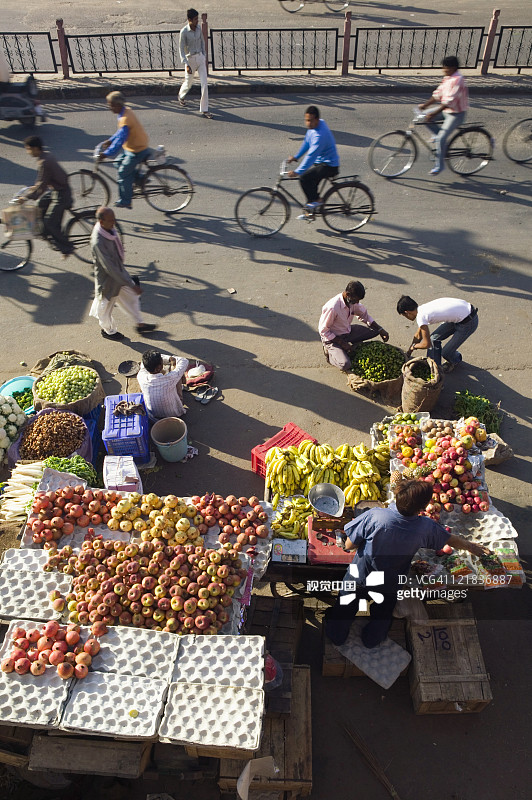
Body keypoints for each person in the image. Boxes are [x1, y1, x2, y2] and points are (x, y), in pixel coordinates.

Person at [325, 480, 489, 649]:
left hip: (361, 575)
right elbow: (449, 539)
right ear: (422, 507)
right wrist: (472, 548)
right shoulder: (425, 527)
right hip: (390, 582)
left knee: (344, 609)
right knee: (383, 614)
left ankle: (337, 635)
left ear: (396, 497)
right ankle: (371, 640)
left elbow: (350, 545)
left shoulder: (375, 516)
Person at [89, 206, 156, 340]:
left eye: (114, 219)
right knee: (105, 310)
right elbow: (110, 268)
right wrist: (130, 283)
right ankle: (108, 331)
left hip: (120, 276)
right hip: (108, 281)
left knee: (131, 298)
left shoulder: (109, 231)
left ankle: (140, 324)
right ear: (101, 222)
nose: (114, 223)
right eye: (110, 220)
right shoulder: (98, 241)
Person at [17, 136, 73, 257]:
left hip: (62, 194)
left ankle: (67, 248)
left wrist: (25, 197)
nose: (28, 152)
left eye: (29, 149)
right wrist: (34, 188)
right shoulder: (45, 156)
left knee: (49, 221)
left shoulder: (44, 162)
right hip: (56, 190)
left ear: (35, 148)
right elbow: (43, 180)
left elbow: (42, 184)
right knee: (40, 204)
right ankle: (47, 233)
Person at [397, 295, 478, 373]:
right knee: (433, 339)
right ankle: (435, 368)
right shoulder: (422, 309)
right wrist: (408, 352)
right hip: (460, 316)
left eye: (405, 316)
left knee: (446, 353)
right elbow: (418, 335)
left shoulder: (421, 316)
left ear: (407, 312)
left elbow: (426, 344)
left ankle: (455, 359)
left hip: (468, 322)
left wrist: (413, 347)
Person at [319, 281, 389, 372]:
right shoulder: (332, 307)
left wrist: (380, 329)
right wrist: (342, 343)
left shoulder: (352, 303)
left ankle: (351, 345)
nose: (357, 302)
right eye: (356, 299)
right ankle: (329, 354)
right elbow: (323, 331)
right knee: (345, 364)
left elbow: (364, 316)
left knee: (375, 330)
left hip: (347, 331)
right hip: (333, 338)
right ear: (348, 294)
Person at [418, 55, 469, 175]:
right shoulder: (448, 77)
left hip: (456, 114)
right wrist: (425, 106)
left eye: (446, 68)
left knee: (441, 138)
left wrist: (434, 113)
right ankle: (440, 138)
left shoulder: (458, 80)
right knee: (425, 117)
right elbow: (438, 94)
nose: (444, 70)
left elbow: (449, 102)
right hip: (446, 111)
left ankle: (439, 166)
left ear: (453, 68)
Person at [286, 105, 339, 218]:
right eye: (306, 120)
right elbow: (306, 142)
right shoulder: (314, 128)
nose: (308, 123)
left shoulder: (319, 136)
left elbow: (311, 156)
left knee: (304, 178)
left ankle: (316, 202)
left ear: (317, 119)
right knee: (310, 183)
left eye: (310, 120)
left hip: (329, 165)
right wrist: (296, 156)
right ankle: (312, 208)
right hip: (321, 162)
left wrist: (297, 172)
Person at [99, 91, 150, 209]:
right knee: (118, 163)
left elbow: (120, 139)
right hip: (132, 147)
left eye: (111, 105)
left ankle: (126, 200)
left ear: (117, 105)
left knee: (123, 172)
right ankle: (141, 179)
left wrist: (106, 154)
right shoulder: (125, 111)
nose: (109, 107)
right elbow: (119, 134)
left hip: (137, 149)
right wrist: (110, 140)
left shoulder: (125, 119)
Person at [178, 8, 212, 119]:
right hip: (190, 60)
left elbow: (202, 42)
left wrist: (204, 56)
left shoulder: (198, 28)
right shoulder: (184, 32)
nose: (197, 21)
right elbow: (181, 49)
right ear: (189, 20)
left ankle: (204, 109)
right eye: (195, 19)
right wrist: (186, 64)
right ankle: (181, 96)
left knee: (204, 84)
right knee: (188, 83)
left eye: (197, 19)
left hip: (200, 58)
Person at [137, 350, 190, 420]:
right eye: (162, 361)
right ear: (158, 368)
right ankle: (180, 401)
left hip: (153, 414)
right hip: (174, 414)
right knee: (178, 376)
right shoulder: (170, 378)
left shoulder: (140, 376)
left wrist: (166, 359)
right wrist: (170, 359)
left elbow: (143, 363)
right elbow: (184, 361)